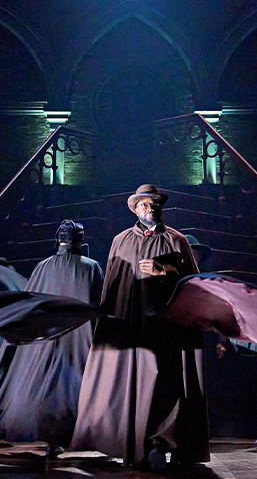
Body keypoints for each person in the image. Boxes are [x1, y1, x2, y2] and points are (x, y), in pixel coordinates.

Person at [70, 184, 208, 469]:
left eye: (154, 204)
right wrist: (108, 321)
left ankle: (160, 443)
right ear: (135, 209)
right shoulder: (121, 241)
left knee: (166, 383)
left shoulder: (177, 240)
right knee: (133, 384)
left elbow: (194, 284)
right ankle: (137, 447)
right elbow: (112, 285)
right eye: (144, 205)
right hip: (132, 326)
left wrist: (165, 271)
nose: (150, 209)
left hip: (166, 327)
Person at [0, 220, 103, 454]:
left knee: (44, 383)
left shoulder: (43, 266)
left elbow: (33, 301)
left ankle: (47, 434)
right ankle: (66, 434)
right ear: (80, 240)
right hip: (77, 335)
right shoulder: (90, 267)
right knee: (72, 384)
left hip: (45, 334)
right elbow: (96, 303)